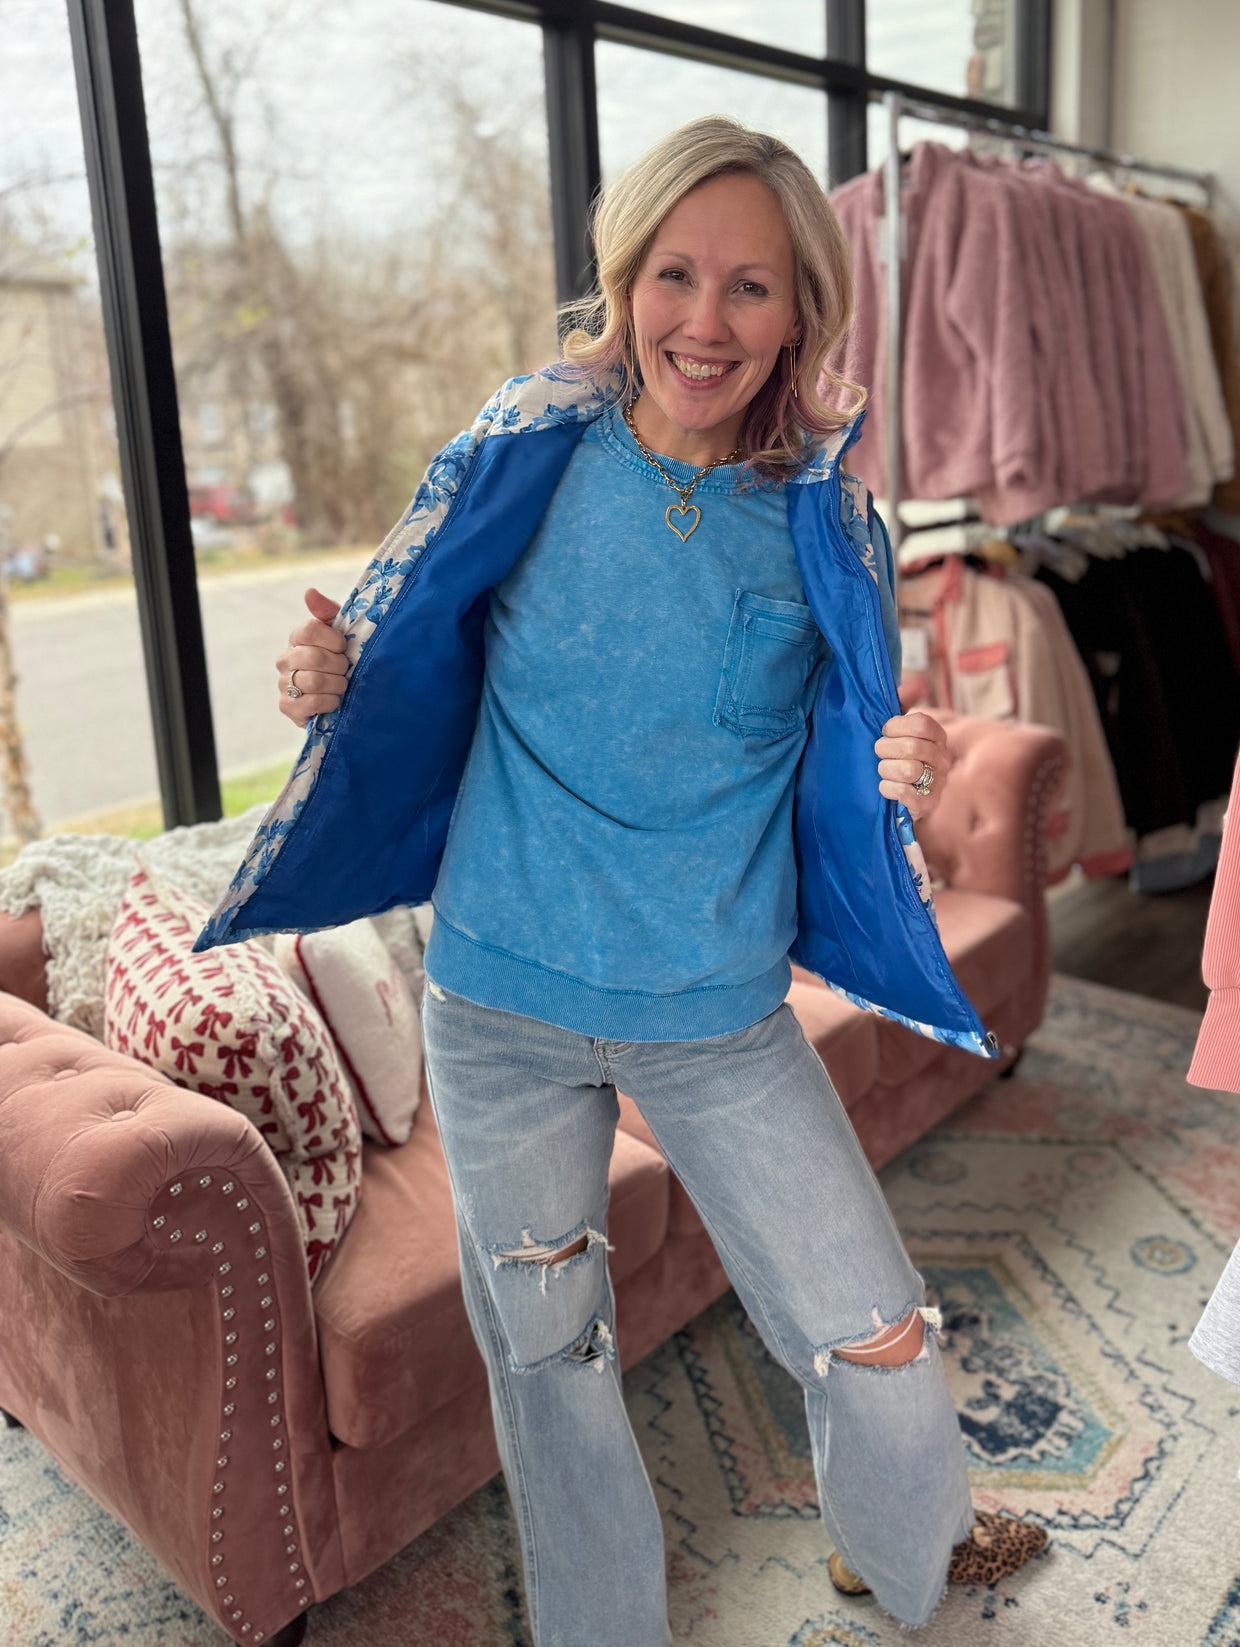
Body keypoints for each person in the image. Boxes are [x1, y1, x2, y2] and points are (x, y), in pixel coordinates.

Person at [218, 117, 1046, 1645]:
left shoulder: (825, 516)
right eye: (675, 274)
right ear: (626, 275)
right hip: (501, 1009)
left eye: (749, 288)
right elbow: (403, 643)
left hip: (718, 1015)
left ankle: (895, 1542)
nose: (703, 322)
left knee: (869, 1329)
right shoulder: (526, 450)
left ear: (802, 310)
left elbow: (855, 739)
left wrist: (901, 771)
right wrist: (321, 671)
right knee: (552, 1365)